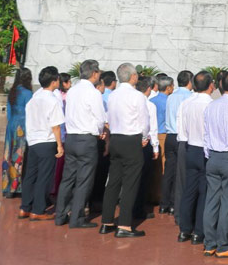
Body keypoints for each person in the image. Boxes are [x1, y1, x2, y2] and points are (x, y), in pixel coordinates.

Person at [100, 62, 154, 237]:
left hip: (116, 138)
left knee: (113, 181)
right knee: (130, 183)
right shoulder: (137, 96)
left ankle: (106, 222)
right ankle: (124, 225)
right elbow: (144, 121)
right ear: (133, 77)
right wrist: (145, 137)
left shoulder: (113, 95)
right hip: (131, 139)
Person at [55, 59, 106, 229]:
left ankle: (60, 215)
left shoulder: (72, 91)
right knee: (84, 180)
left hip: (71, 137)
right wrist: (100, 132)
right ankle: (76, 218)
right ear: (94, 74)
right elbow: (100, 118)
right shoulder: (94, 93)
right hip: (87, 139)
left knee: (67, 178)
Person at [202, 69, 228, 258]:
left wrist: (208, 154)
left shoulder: (211, 106)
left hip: (212, 156)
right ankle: (224, 245)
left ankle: (209, 243)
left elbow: (205, 134)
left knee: (211, 201)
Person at [20, 66, 64, 220]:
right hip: (46, 141)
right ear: (53, 81)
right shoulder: (52, 100)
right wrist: (59, 144)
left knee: (30, 175)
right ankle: (38, 210)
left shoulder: (34, 99)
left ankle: (25, 207)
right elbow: (56, 126)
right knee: (44, 177)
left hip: (33, 141)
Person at [177, 70, 215, 246]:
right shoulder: (211, 105)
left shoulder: (187, 103)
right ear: (210, 85)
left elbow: (182, 130)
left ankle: (184, 229)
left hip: (190, 147)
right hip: (204, 151)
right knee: (203, 192)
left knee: (189, 190)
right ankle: (198, 232)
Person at [163, 69, 193, 216]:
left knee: (169, 171)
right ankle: (175, 204)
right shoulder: (190, 97)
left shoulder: (170, 97)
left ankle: (164, 204)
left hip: (169, 136)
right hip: (181, 137)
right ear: (189, 82)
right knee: (181, 173)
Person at [132, 75, 160, 221]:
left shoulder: (130, 101)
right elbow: (152, 128)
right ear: (149, 89)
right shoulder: (149, 105)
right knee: (143, 179)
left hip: (128, 141)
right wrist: (155, 147)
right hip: (144, 142)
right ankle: (138, 209)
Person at [2, 67, 33, 197]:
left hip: (11, 125)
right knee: (19, 156)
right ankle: (15, 187)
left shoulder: (12, 91)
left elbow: (8, 113)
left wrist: (11, 125)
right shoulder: (28, 93)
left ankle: (6, 187)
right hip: (22, 126)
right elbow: (30, 113)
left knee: (8, 154)